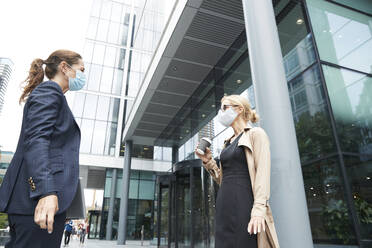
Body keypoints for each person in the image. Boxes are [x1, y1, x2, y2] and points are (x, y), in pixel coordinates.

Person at [0, 50, 86, 248]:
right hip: (37, 203)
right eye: (81, 70)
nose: (83, 75)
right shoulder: (49, 92)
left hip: (37, 206)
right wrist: (46, 191)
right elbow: (37, 140)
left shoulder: (52, 95)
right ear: (64, 67)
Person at [195, 95, 280, 248]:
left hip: (244, 204)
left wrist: (259, 209)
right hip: (224, 204)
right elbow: (224, 178)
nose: (221, 112)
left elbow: (262, 173)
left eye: (225, 107)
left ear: (240, 109)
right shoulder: (227, 142)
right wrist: (209, 161)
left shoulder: (256, 134)